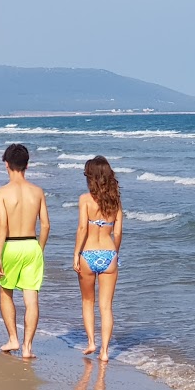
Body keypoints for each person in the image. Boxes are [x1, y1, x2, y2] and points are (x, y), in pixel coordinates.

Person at [0, 142, 49, 359]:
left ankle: (13, 338)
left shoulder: (2, 193)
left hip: (11, 245)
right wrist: (39, 248)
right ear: (27, 165)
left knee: (6, 293)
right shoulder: (37, 191)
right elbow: (45, 225)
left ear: (6, 164)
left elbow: (2, 225)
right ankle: (27, 347)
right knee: (31, 298)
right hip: (31, 244)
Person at [74, 155, 124, 361]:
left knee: (88, 301)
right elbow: (118, 232)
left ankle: (91, 342)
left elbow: (83, 228)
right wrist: (115, 253)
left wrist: (76, 254)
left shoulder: (85, 200)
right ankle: (104, 351)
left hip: (88, 253)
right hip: (109, 253)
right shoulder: (115, 201)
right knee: (106, 306)